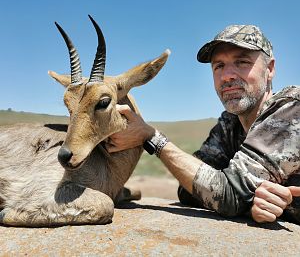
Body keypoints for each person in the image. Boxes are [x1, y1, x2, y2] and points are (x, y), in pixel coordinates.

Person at [106, 24, 300, 224]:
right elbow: (189, 190)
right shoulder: (229, 124)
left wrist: (152, 137)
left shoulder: (292, 108)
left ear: (270, 69)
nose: (226, 76)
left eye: (242, 62)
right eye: (219, 66)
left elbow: (227, 195)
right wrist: (248, 203)